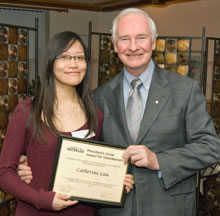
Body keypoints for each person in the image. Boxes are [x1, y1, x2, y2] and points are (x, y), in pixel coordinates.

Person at [18, 8, 220, 216]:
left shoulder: (185, 90)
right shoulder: (97, 97)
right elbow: (80, 151)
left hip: (168, 208)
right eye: (124, 39)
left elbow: (211, 147)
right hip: (113, 210)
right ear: (114, 45)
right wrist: (27, 164)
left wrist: (159, 161)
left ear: (153, 42)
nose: (133, 47)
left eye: (141, 37)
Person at [0, 31, 134, 216]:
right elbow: (5, 173)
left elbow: (97, 164)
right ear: (50, 63)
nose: (73, 64)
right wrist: (42, 199)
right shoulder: (27, 111)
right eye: (64, 57)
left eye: (79, 57)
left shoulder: (96, 113)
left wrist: (116, 180)